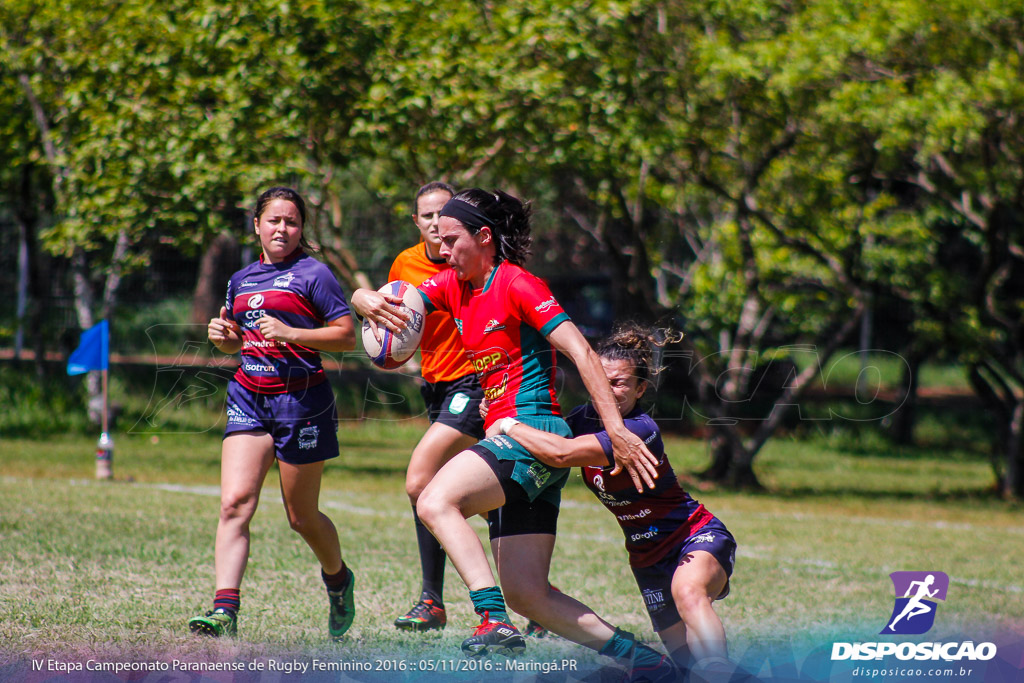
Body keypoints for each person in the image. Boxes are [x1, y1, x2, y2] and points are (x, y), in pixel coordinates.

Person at [353, 188, 674, 681]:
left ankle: (492, 619)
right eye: (436, 238)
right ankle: (646, 662)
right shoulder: (454, 285)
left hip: (528, 430)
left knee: (435, 499)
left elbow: (583, 353)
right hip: (514, 438)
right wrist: (362, 299)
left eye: (452, 238)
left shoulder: (518, 284)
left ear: (484, 237)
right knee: (530, 593)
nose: (442, 249)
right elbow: (395, 298)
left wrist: (616, 429)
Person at [493, 324, 737, 677]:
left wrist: (507, 425)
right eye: (601, 380)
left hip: (693, 536)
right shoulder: (582, 420)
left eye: (620, 383)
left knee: (688, 592)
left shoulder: (638, 430)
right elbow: (542, 444)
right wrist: (497, 408)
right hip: (646, 559)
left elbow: (561, 455)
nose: (608, 390)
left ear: (640, 388)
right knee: (683, 669)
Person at [189, 186, 357, 640]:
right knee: (234, 503)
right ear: (257, 225)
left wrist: (291, 332)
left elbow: (345, 337)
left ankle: (338, 579)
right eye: (275, 221)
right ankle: (225, 609)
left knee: (301, 517)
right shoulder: (241, 278)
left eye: (292, 222)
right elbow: (236, 340)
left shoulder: (314, 274)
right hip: (249, 396)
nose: (283, 229)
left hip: (302, 402)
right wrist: (221, 335)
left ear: (301, 229)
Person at [387, 181, 486, 632]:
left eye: (441, 215)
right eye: (425, 215)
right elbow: (392, 337)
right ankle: (527, 597)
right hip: (436, 386)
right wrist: (365, 302)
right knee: (488, 496)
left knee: (421, 480)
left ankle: (433, 599)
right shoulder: (404, 264)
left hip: (476, 382)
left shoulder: (469, 261)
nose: (433, 223)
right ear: (416, 221)